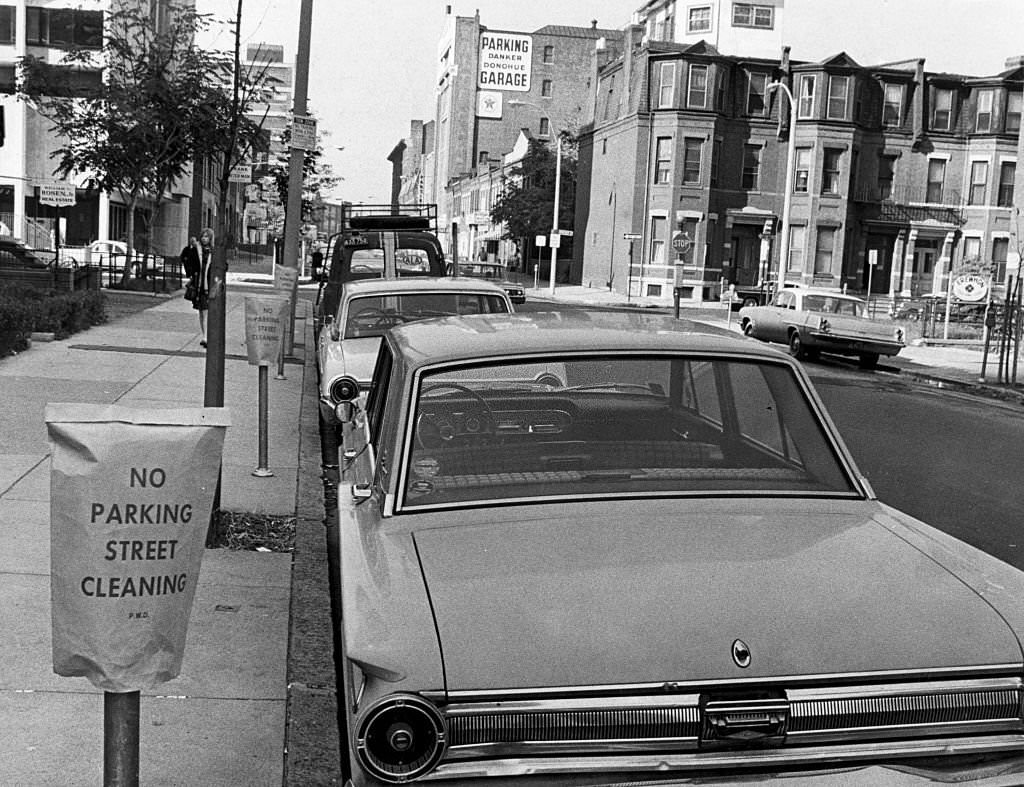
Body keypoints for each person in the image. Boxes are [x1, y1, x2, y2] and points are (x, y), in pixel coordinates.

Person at [185, 228, 215, 348]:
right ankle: (205, 335)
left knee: (206, 311)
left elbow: (222, 266)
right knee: (202, 312)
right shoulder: (195, 250)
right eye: (202, 236)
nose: (204, 238)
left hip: (210, 284)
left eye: (207, 236)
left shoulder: (214, 251)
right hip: (199, 285)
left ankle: (207, 336)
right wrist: (192, 273)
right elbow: (187, 261)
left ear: (210, 238)